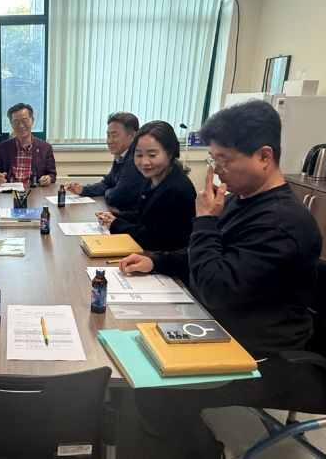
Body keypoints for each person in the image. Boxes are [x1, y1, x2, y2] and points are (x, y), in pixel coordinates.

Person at [115, 100, 324, 458]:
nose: (217, 171)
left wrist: (205, 219)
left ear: (264, 156)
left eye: (224, 161)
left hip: (266, 356)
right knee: (134, 352)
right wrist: (157, 261)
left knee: (154, 393)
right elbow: (208, 255)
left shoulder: (282, 224)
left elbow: (216, 288)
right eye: (213, 159)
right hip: (224, 328)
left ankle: (208, 451)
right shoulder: (245, 199)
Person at [94, 121, 196, 251]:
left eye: (152, 155)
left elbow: (156, 239)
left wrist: (117, 224)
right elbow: (145, 216)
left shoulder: (177, 190)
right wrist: (115, 216)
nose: (144, 162)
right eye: (139, 155)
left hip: (162, 257)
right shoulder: (151, 178)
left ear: (170, 153)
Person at [65, 112, 146, 211]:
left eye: (114, 135)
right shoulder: (121, 156)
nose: (109, 141)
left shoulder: (135, 160)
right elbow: (107, 183)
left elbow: (115, 198)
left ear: (132, 136)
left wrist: (108, 190)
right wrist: (82, 189)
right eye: (108, 135)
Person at [0, 102, 57, 186]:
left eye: (24, 121)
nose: (21, 126)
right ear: (11, 124)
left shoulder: (45, 148)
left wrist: (48, 178)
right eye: (16, 122)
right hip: (10, 191)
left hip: (35, 191)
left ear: (32, 121)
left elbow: (52, 174)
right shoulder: (2, 148)